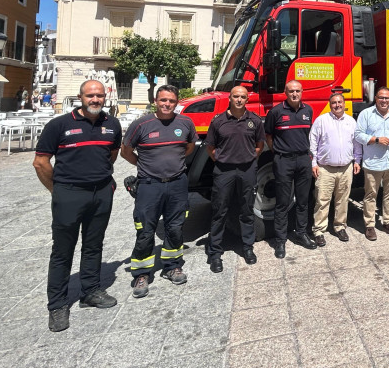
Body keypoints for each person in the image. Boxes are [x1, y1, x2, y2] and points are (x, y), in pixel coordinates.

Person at [32, 80, 122, 332]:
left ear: (106, 98)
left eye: (100, 96)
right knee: (62, 251)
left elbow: (111, 155)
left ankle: (91, 291)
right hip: (69, 194)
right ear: (80, 97)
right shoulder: (59, 125)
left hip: (101, 193)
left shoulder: (112, 124)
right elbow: (40, 162)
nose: (95, 100)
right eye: (90, 95)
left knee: (94, 245)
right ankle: (58, 305)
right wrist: (57, 190)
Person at [121, 85, 198, 298]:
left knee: (175, 226)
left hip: (177, 184)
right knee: (145, 230)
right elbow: (125, 151)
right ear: (156, 101)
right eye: (163, 100)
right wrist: (143, 167)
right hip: (149, 185)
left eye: (171, 101)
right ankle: (142, 273)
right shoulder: (141, 124)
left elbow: (189, 146)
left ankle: (172, 266)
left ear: (176, 103)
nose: (167, 104)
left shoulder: (185, 123)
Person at [205, 85, 265, 271]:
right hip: (224, 172)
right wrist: (225, 161)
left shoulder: (254, 121)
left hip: (247, 170)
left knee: (246, 210)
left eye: (243, 97)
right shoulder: (218, 121)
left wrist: (247, 158)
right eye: (236, 96)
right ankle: (215, 252)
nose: (239, 100)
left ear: (248, 100)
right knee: (219, 210)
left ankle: (247, 247)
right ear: (229, 98)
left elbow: (260, 145)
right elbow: (210, 148)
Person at [264, 80, 316, 258]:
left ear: (302, 92)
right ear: (285, 92)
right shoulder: (276, 112)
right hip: (283, 161)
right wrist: (278, 152)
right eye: (291, 91)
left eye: (298, 91)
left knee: (303, 200)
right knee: (282, 203)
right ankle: (280, 240)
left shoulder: (308, 111)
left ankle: (301, 233)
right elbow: (269, 136)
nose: (295, 94)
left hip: (303, 159)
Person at [309, 92, 362, 246]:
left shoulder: (351, 121)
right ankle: (319, 230)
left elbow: (357, 143)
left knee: (343, 200)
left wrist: (357, 160)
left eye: (340, 102)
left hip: (346, 168)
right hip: (325, 168)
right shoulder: (321, 121)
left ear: (344, 104)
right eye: (334, 103)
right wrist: (314, 163)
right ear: (330, 105)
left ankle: (340, 227)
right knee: (322, 200)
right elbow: (312, 143)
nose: (337, 105)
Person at [355, 87, 389, 240]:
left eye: (387, 98)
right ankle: (370, 225)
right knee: (371, 194)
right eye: (381, 98)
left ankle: (388, 221)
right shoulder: (366, 114)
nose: (384, 101)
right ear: (376, 98)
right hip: (373, 162)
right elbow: (358, 135)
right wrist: (376, 139)